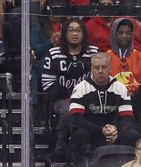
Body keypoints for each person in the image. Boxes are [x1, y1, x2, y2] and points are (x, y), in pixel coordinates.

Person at [68, 52, 139, 167]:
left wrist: (116, 129)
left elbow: (128, 118)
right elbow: (75, 120)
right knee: (78, 134)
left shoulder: (120, 88)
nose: (100, 71)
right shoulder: (81, 88)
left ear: (110, 68)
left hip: (115, 134)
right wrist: (100, 130)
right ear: (91, 69)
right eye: (96, 67)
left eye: (104, 67)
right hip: (92, 135)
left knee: (132, 134)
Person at [41, 18, 99, 158]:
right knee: (69, 110)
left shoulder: (93, 52)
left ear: (83, 33)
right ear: (65, 34)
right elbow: (47, 82)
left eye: (78, 30)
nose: (75, 33)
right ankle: (60, 148)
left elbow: (101, 77)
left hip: (88, 97)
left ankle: (94, 148)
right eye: (71, 30)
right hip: (61, 98)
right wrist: (67, 95)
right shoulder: (54, 53)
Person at [105, 18, 141, 97]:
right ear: (114, 34)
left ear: (133, 34)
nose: (124, 36)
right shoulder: (104, 59)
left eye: (128, 33)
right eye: (120, 33)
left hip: (138, 103)